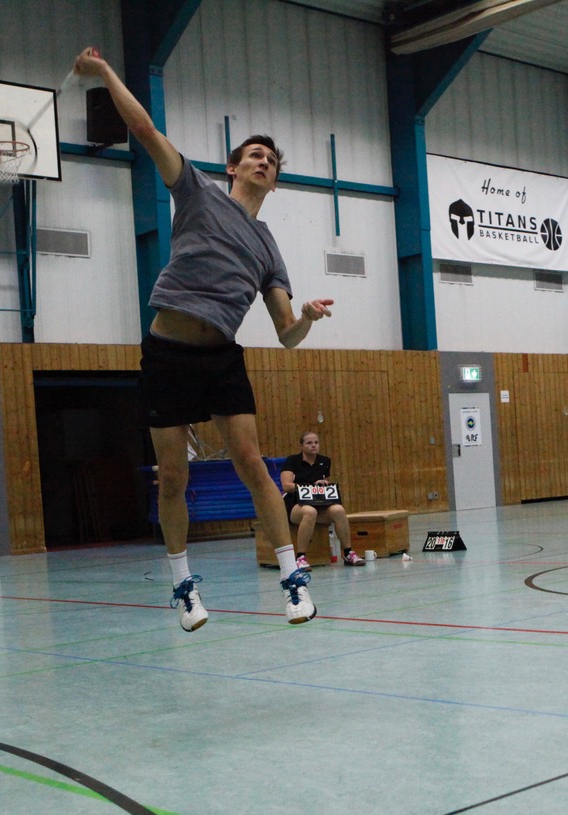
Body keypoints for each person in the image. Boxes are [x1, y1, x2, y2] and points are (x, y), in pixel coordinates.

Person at [74, 47, 335, 632]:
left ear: (275, 178)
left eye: (271, 159)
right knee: (173, 477)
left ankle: (294, 579)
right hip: (167, 350)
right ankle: (183, 584)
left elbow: (286, 333)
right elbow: (142, 128)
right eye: (254, 155)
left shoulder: (268, 248)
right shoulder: (195, 191)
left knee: (251, 462)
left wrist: (309, 318)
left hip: (220, 355)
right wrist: (107, 72)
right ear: (233, 168)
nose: (264, 162)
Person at [281, 431, 365, 568]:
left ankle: (348, 553)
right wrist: (309, 486)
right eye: (309, 443)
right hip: (295, 503)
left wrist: (324, 485)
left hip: (318, 502)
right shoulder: (292, 461)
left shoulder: (325, 461)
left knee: (338, 510)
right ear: (301, 446)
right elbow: (286, 486)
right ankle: (300, 557)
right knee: (310, 512)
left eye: (316, 442)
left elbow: (324, 486)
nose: (313, 445)